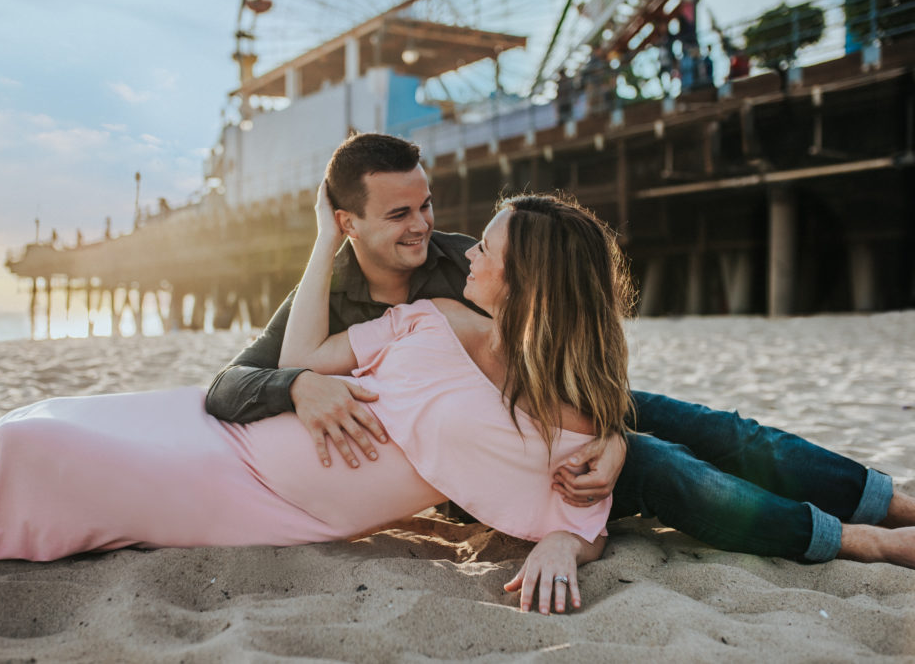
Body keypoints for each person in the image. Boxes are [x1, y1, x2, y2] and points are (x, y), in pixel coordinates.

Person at [0, 188, 640, 615]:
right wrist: (325, 244)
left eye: (488, 248)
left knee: (31, 450)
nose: (467, 253)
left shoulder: (562, 417)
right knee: (33, 422)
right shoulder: (437, 318)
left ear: (528, 278)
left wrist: (560, 540)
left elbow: (583, 516)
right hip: (228, 434)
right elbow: (306, 360)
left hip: (265, 499)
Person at [206, 133, 915, 578]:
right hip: (479, 460)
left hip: (557, 406)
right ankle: (855, 540)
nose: (425, 225)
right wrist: (298, 388)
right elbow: (229, 386)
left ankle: (894, 504)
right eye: (400, 214)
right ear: (346, 223)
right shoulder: (321, 301)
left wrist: (607, 431)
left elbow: (579, 344)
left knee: (714, 428)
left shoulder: (468, 261)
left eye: (426, 204)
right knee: (666, 465)